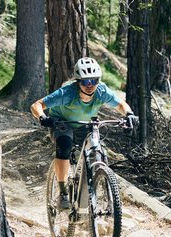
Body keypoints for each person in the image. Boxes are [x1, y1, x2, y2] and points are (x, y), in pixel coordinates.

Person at [30, 57, 139, 209]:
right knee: (65, 145)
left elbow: (120, 104)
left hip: (85, 124)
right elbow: (37, 105)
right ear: (78, 81)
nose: (90, 85)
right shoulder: (67, 93)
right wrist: (43, 117)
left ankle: (100, 189)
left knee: (97, 150)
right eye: (85, 81)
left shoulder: (101, 91)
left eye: (94, 81)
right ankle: (62, 193)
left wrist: (129, 114)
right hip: (62, 122)